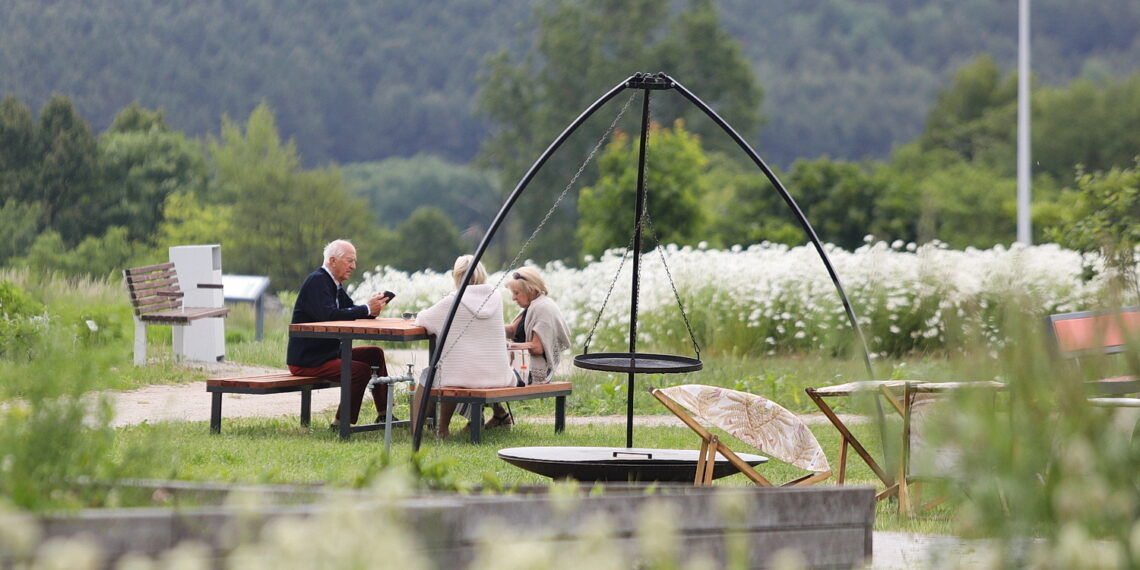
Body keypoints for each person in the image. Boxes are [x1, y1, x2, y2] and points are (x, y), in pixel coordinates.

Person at [287, 239, 392, 427]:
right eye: (349, 261)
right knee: (360, 371)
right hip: (309, 359)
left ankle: (385, 414)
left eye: (354, 261)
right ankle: (340, 424)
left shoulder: (334, 284)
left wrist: (372, 308)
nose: (354, 266)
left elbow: (350, 311)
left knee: (374, 354)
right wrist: (366, 309)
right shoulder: (317, 281)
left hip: (327, 354)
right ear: (333, 260)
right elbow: (331, 315)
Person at [411, 255, 515, 438]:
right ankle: (493, 415)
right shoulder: (495, 297)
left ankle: (426, 430)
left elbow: (424, 320)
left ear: (456, 276)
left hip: (465, 377)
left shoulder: (452, 301)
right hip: (499, 375)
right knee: (456, 369)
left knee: (432, 374)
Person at [493, 266, 571, 427]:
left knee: (481, 371)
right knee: (482, 368)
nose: (514, 298)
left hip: (534, 373)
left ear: (530, 290)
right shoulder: (532, 306)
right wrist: (487, 328)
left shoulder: (543, 308)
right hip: (522, 367)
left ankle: (493, 417)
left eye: (516, 293)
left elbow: (537, 347)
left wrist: (507, 346)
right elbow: (513, 330)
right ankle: (498, 415)